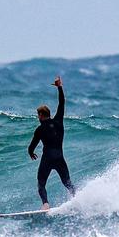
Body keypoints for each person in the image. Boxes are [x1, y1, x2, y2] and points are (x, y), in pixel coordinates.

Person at [28, 76, 76, 210]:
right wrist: (60, 87)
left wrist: (31, 153)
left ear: (42, 115)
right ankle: (77, 199)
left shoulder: (39, 129)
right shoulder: (58, 121)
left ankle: (46, 204)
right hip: (60, 157)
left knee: (41, 184)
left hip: (48, 159)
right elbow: (62, 103)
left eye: (38, 115)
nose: (38, 117)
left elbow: (32, 146)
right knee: (67, 183)